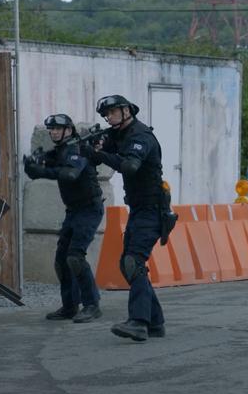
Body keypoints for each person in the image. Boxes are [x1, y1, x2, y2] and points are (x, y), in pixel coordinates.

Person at [90, 94, 169, 342]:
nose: (109, 117)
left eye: (113, 112)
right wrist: (91, 147)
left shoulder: (140, 136)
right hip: (138, 210)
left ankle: (138, 322)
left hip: (152, 210)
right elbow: (107, 146)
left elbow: (130, 166)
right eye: (106, 114)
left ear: (126, 111)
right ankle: (155, 322)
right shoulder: (120, 134)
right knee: (128, 264)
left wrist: (100, 155)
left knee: (134, 262)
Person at [24, 114, 104, 323]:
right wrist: (32, 165)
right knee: (62, 260)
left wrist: (43, 170)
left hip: (89, 209)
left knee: (75, 257)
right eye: (51, 129)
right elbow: (37, 171)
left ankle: (91, 305)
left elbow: (70, 174)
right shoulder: (59, 151)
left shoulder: (78, 148)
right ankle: (70, 306)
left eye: (58, 129)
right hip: (73, 210)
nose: (54, 132)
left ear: (69, 130)